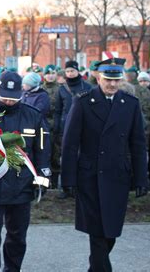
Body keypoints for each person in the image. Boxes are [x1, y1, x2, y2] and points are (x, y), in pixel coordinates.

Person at [61, 58, 148, 272]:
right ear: (98, 78)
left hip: (117, 176)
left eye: (116, 80)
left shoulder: (130, 104)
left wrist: (141, 178)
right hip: (90, 177)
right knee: (97, 233)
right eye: (108, 79)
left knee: (110, 233)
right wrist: (68, 179)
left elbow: (138, 144)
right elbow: (70, 144)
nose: (112, 85)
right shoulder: (83, 102)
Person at [0, 71, 51, 272]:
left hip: (22, 187)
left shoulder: (33, 116)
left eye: (13, 98)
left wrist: (42, 180)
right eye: (5, 97)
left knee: (17, 236)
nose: (9, 102)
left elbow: (43, 151)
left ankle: (12, 269)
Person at [54, 60, 93, 198]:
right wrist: (57, 127)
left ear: (78, 72)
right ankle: (66, 187)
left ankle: (79, 186)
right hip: (65, 127)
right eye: (68, 71)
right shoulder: (62, 89)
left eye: (72, 71)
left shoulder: (87, 87)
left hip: (83, 127)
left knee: (80, 157)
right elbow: (58, 110)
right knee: (65, 158)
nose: (70, 74)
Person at [42, 64, 61, 188]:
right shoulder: (40, 89)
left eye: (53, 73)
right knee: (43, 154)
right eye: (48, 73)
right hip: (43, 126)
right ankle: (43, 183)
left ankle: (54, 183)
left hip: (56, 126)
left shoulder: (61, 89)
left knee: (55, 154)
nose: (50, 76)